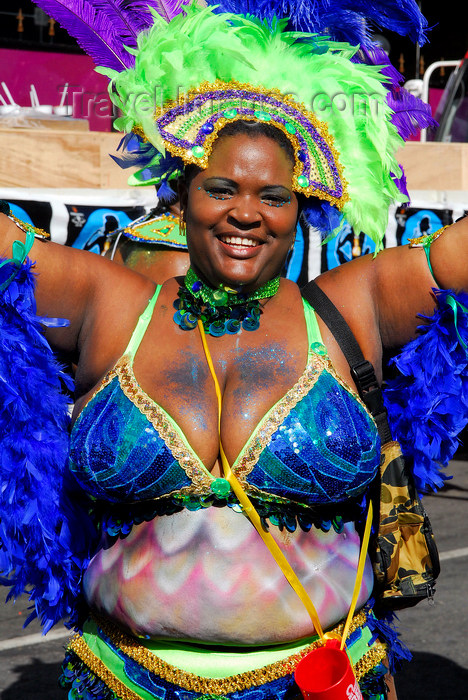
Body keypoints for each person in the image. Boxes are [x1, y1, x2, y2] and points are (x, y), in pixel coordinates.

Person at [0, 4, 462, 700]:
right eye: (222, 188)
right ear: (180, 200)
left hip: (319, 682)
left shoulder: (349, 308)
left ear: (300, 209)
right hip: (122, 682)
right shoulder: (113, 303)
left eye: (272, 196)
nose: (246, 212)